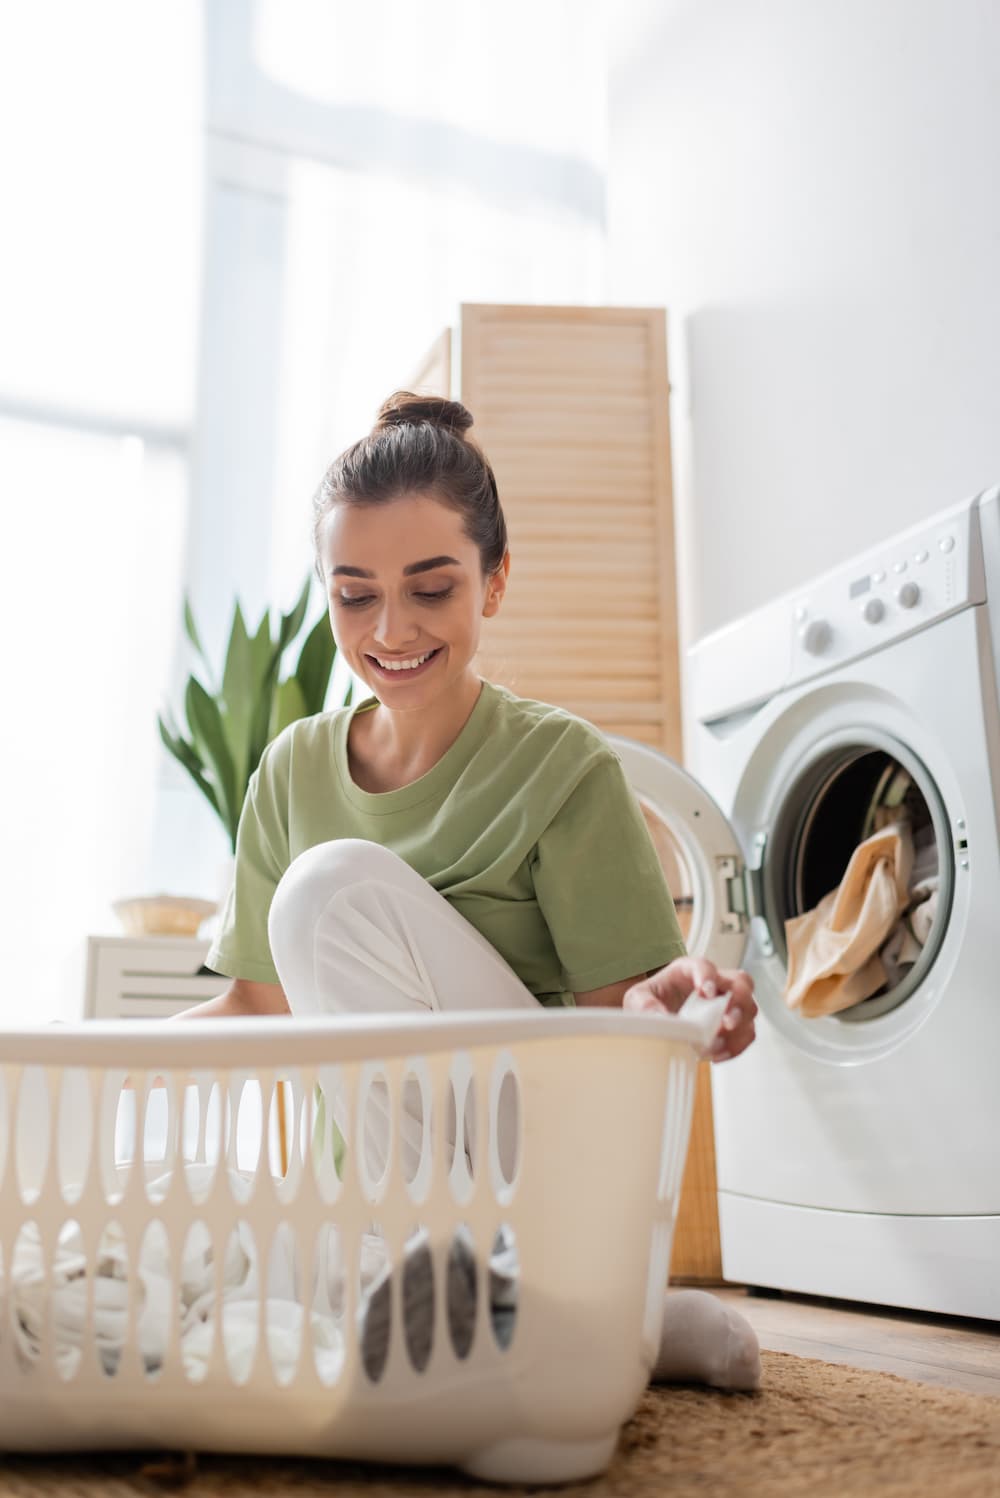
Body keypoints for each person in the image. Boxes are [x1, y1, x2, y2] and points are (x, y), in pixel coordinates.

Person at [183, 390, 761, 1390]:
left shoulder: (558, 766)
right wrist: (51, 1065)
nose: (390, 626)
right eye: (354, 593)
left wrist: (670, 1003)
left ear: (494, 581)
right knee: (189, 1230)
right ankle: (568, 1316)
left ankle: (536, 1293)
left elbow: (614, 1038)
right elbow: (255, 1010)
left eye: (431, 587)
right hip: (367, 1200)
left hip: (531, 1174)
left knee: (330, 892)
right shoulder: (290, 770)